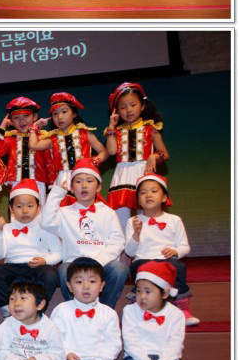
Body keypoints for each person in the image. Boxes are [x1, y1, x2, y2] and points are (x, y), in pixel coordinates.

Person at [42, 159, 127, 308]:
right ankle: (76, 309)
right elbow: (46, 222)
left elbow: (117, 242)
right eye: (78, 181)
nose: (84, 185)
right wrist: (57, 193)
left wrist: (99, 261)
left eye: (89, 181)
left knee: (119, 269)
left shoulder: (108, 213)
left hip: (102, 263)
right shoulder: (64, 213)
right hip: (74, 263)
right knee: (63, 270)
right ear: (72, 188)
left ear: (98, 187)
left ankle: (104, 310)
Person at [125, 173, 197, 324]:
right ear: (138, 200)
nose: (148, 195)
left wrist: (176, 252)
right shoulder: (133, 221)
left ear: (164, 197)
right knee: (140, 268)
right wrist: (136, 234)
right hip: (143, 260)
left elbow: (185, 246)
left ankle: (183, 308)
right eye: (143, 193)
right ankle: (138, 308)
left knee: (178, 266)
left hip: (166, 260)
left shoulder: (174, 220)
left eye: (154, 191)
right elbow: (129, 252)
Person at [0, 179, 61, 316]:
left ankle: (38, 308)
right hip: (12, 268)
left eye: (30, 206)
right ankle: (8, 309)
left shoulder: (44, 227)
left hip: (37, 268)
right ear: (11, 208)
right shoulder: (7, 228)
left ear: (38, 208)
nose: (25, 210)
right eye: (19, 206)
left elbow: (58, 253)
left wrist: (45, 261)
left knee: (50, 274)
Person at [104, 81, 169, 232]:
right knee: (120, 216)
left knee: (146, 213)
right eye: (123, 107)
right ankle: (123, 246)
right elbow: (112, 151)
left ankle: (146, 243)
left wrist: (153, 156)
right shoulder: (115, 131)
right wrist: (111, 127)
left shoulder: (151, 129)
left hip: (143, 172)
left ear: (142, 106)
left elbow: (165, 154)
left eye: (133, 105)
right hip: (122, 174)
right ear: (117, 111)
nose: (128, 110)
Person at [29, 92, 108, 207]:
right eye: (55, 114)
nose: (60, 117)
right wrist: (34, 127)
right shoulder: (53, 138)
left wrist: (94, 162)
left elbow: (104, 152)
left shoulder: (85, 133)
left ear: (74, 113)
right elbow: (33, 145)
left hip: (83, 177)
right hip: (62, 180)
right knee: (61, 211)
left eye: (64, 112)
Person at [0, 96, 50, 205]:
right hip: (16, 183)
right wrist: (3, 125)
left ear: (35, 116)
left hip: (38, 183)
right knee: (16, 212)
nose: (22, 121)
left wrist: (51, 186)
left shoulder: (43, 138)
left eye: (26, 116)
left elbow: (50, 164)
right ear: (11, 120)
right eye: (16, 117)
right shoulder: (10, 139)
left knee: (39, 212)